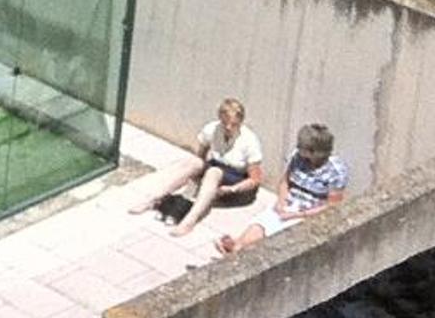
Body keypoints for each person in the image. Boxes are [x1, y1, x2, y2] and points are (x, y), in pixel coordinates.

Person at [125, 97, 263, 237]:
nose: (228, 128)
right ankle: (153, 198)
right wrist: (193, 176)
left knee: (214, 172)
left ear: (240, 122)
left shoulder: (249, 141)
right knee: (194, 162)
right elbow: (201, 157)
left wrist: (232, 189)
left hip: (237, 180)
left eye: (234, 124)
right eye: (225, 123)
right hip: (216, 167)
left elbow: (255, 180)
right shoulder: (212, 129)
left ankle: (190, 220)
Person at [216, 123, 349, 256]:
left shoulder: (336, 170)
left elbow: (332, 205)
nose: (298, 148)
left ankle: (236, 248)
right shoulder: (297, 157)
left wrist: (297, 214)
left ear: (314, 152)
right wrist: (281, 201)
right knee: (259, 226)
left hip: (307, 212)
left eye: (302, 147)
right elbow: (285, 182)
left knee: (275, 235)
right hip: (288, 204)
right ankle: (237, 245)